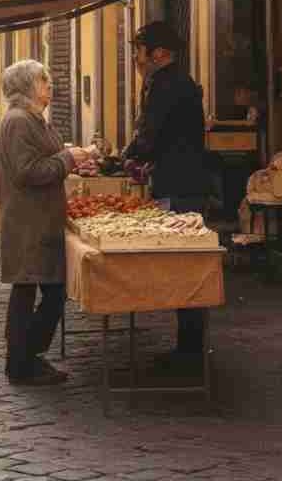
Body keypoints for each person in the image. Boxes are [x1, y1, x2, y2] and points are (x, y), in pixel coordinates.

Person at [0, 60, 91, 386]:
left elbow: (42, 159)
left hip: (39, 219)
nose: (49, 84)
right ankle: (23, 361)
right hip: (28, 222)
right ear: (26, 87)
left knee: (41, 290)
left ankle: (23, 358)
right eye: (43, 80)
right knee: (40, 290)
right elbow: (28, 171)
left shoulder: (34, 120)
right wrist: (67, 159)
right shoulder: (19, 122)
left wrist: (69, 155)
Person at [123, 22, 209, 373]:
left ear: (158, 54)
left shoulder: (163, 85)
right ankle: (188, 347)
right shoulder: (179, 82)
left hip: (178, 185)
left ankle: (189, 352)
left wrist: (127, 157)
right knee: (185, 264)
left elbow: (151, 131)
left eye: (139, 53)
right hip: (185, 180)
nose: (136, 60)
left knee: (183, 263)